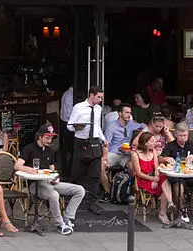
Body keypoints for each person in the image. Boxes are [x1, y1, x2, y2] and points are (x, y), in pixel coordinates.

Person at [15, 123, 85, 235]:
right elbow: (17, 165)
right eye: (47, 137)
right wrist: (29, 169)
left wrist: (56, 178)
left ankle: (68, 218)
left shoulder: (50, 151)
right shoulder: (29, 148)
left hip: (50, 182)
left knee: (79, 190)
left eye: (51, 138)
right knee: (54, 195)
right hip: (35, 184)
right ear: (40, 136)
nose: (49, 140)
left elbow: (53, 169)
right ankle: (59, 224)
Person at [160, 122, 193, 226]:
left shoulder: (192, 144)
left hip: (191, 173)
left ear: (188, 134)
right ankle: (183, 210)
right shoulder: (170, 146)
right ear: (176, 135)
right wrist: (166, 158)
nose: (183, 138)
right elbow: (160, 158)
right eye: (181, 135)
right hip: (177, 174)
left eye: (185, 135)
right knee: (179, 187)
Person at [67, 86, 107, 215]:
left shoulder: (99, 109)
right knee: (77, 172)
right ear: (91, 95)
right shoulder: (78, 107)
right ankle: (70, 198)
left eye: (101, 97)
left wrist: (103, 138)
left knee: (95, 173)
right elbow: (69, 126)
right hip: (81, 142)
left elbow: (97, 126)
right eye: (98, 97)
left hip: (94, 141)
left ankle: (93, 202)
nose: (100, 100)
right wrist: (78, 127)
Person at [100, 104, 147, 198]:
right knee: (101, 166)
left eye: (130, 112)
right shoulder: (112, 126)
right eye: (126, 112)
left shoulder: (131, 124)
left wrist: (139, 135)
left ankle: (129, 192)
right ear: (120, 113)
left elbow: (145, 126)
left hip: (125, 154)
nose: (129, 115)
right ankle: (109, 192)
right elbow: (105, 144)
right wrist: (104, 158)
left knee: (134, 167)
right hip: (113, 152)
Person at [131, 132, 174, 225]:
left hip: (153, 177)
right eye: (152, 141)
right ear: (145, 143)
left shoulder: (153, 151)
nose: (155, 142)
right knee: (164, 187)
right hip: (143, 179)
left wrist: (156, 177)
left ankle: (167, 207)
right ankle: (164, 211)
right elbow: (139, 173)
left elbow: (156, 167)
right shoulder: (135, 154)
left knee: (164, 178)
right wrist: (152, 179)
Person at [59, 85, 74, 178]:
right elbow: (68, 112)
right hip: (69, 124)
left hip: (64, 123)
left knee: (66, 149)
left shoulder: (65, 93)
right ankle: (67, 171)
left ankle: (66, 170)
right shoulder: (71, 95)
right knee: (72, 150)